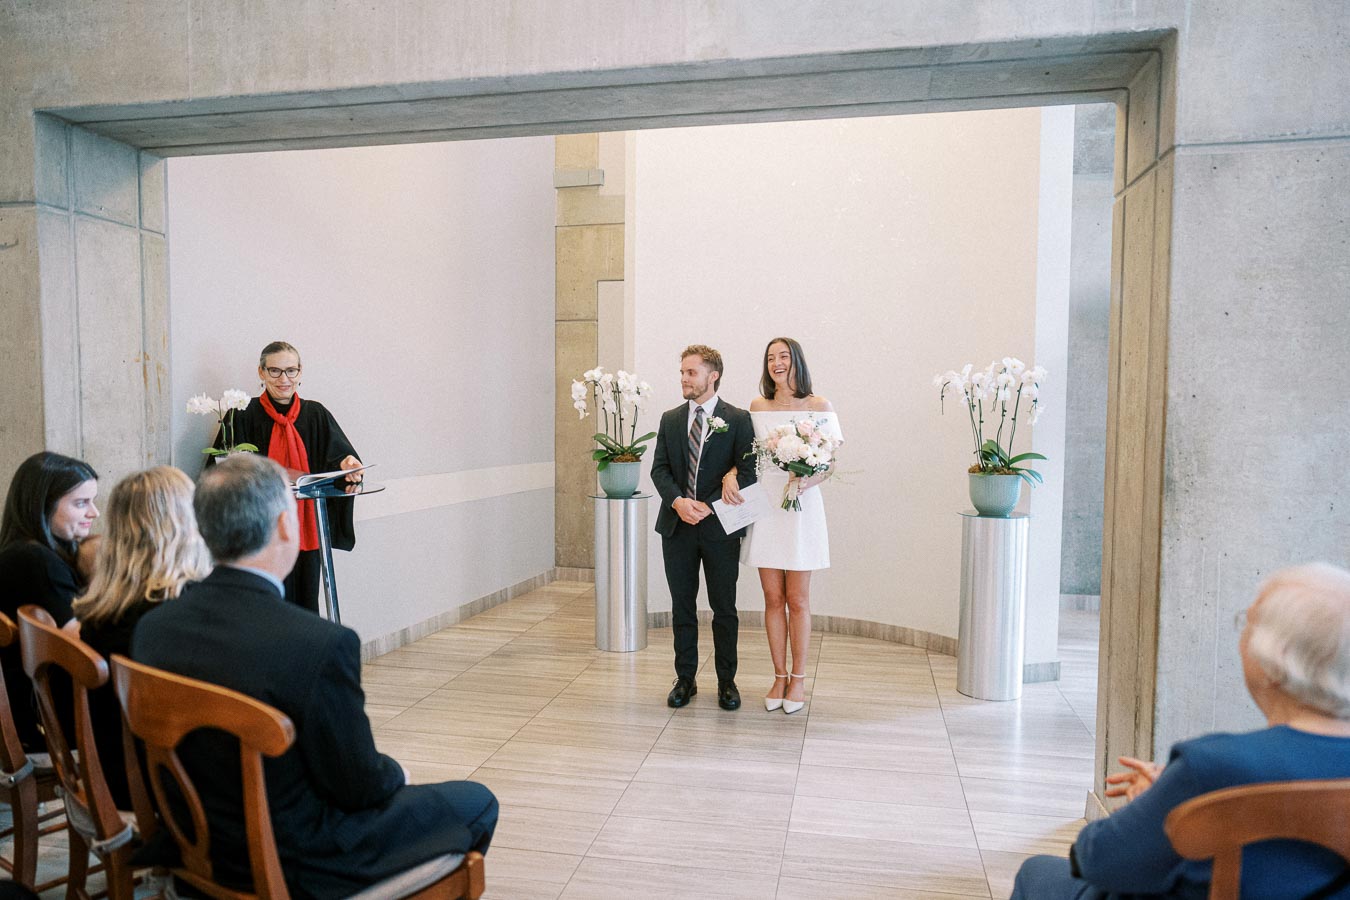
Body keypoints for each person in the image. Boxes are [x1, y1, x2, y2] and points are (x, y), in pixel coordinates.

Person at [132, 454, 496, 897]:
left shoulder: (155, 627)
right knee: (476, 801)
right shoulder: (319, 644)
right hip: (297, 860)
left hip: (194, 842)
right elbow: (359, 787)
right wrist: (394, 774)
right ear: (285, 525)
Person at [1012, 562, 1350, 899]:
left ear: (1276, 661)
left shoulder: (1212, 766)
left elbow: (1095, 861)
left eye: (1247, 623)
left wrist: (1154, 808)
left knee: (1037, 871)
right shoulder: (1212, 771)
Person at [72, 465, 211, 809]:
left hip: (110, 775)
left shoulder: (99, 611)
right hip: (164, 793)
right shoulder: (185, 614)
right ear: (185, 526)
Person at [728, 337, 840, 714]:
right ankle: (778, 676)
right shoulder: (758, 407)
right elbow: (746, 457)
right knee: (772, 597)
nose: (777, 363)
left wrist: (808, 479)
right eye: (771, 358)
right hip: (766, 505)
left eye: (784, 356)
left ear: (797, 362)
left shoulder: (819, 405)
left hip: (802, 506)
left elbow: (830, 462)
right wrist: (731, 474)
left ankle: (799, 679)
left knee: (798, 599)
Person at [221, 340, 364, 614]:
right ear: (261, 372)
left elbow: (340, 459)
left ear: (300, 372)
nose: (283, 379)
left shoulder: (316, 414)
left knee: (307, 606)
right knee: (265, 607)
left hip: (306, 528)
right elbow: (223, 473)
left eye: (290, 371)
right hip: (261, 531)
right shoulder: (241, 414)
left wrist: (349, 463)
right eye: (274, 371)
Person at [650, 344, 756, 710]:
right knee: (682, 606)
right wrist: (678, 502)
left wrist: (709, 506)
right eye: (682, 372)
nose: (683, 378)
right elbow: (659, 469)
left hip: (719, 529)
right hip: (677, 526)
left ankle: (727, 682)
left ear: (713, 376)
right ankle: (685, 679)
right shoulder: (670, 419)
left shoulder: (738, 419)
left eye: (691, 373)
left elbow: (749, 471)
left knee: (724, 608)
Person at [0, 451, 98, 750]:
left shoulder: (22, 552)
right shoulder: (35, 561)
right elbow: (80, 649)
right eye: (81, 503)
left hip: (38, 711)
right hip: (46, 725)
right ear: (43, 505)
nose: (94, 513)